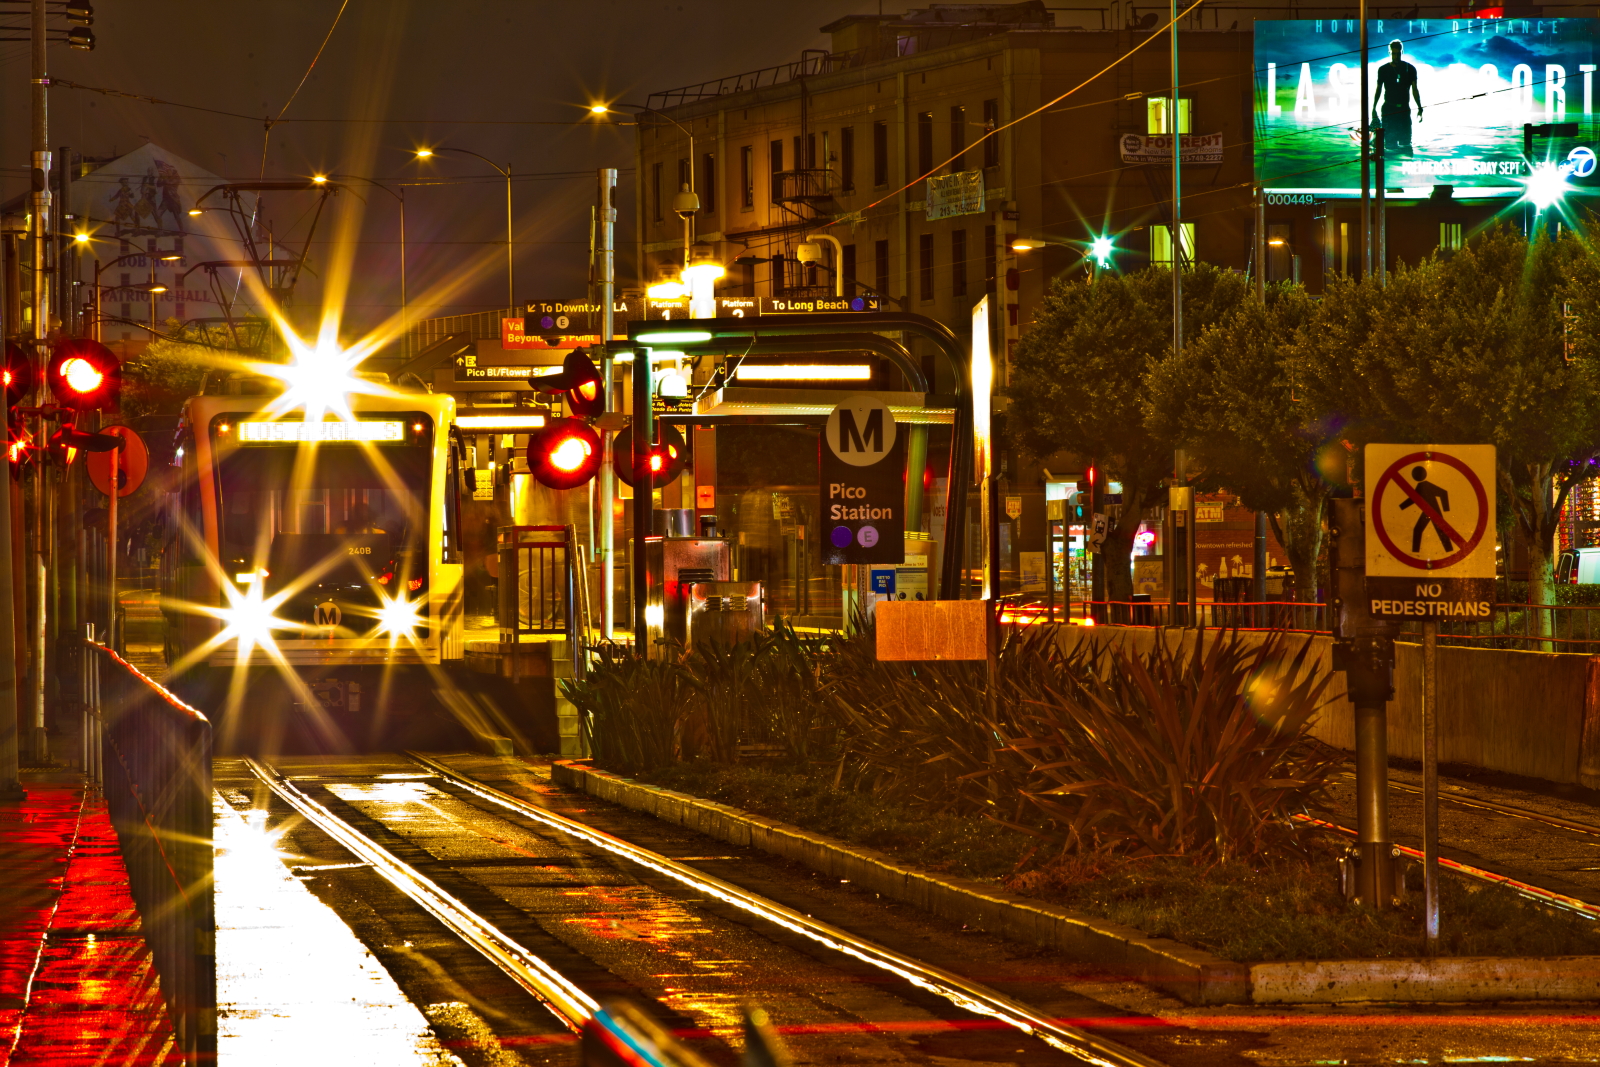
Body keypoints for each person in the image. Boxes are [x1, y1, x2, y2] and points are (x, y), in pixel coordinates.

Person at [1372, 39, 1423, 158]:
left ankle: (1405, 170)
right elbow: (1378, 89)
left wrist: (1420, 107)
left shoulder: (1410, 68)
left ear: (1402, 52)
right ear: (1390, 52)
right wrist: (1374, 107)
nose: (1396, 56)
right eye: (1393, 53)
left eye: (1398, 53)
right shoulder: (1383, 69)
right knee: (1390, 145)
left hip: (1404, 110)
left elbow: (1415, 90)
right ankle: (1389, 169)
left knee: (1405, 143)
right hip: (1388, 110)